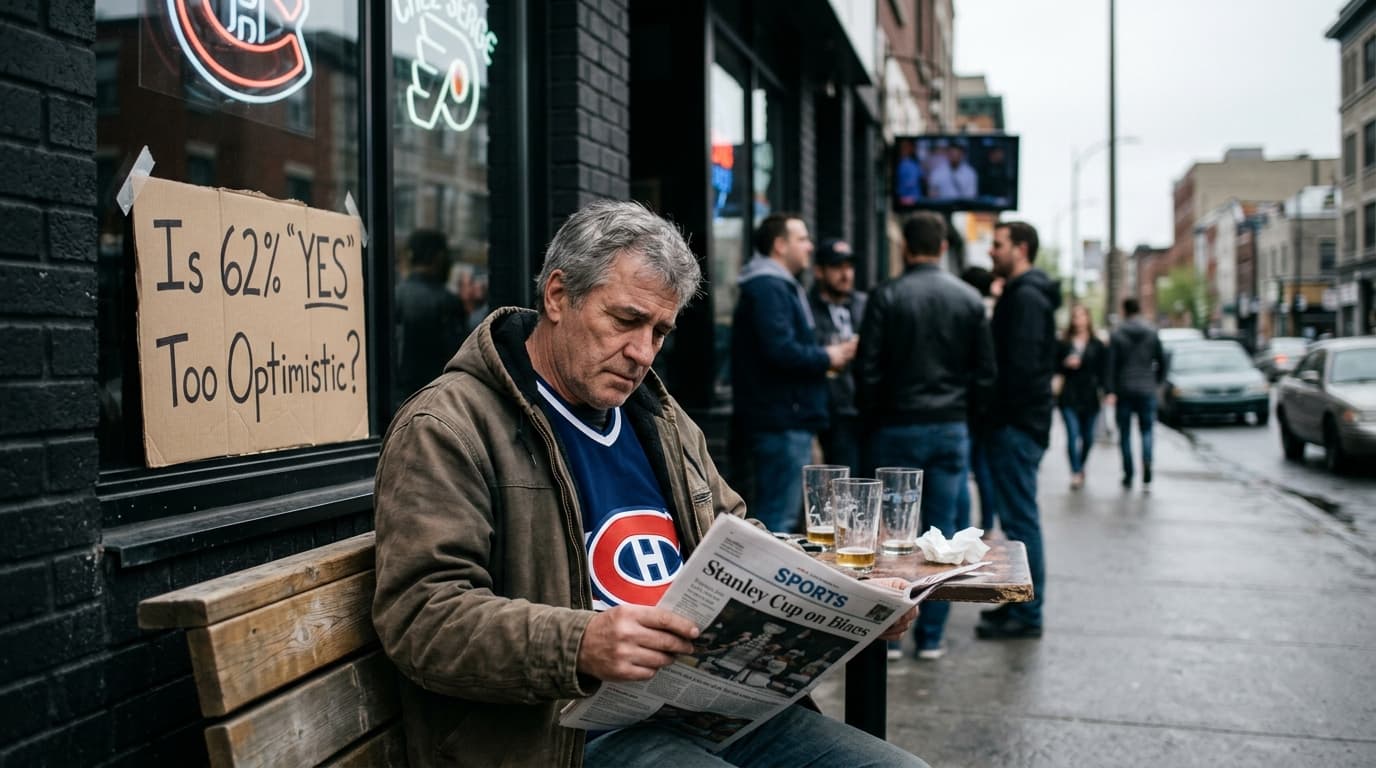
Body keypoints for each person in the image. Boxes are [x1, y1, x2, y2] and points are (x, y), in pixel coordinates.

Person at [373, 200, 922, 768]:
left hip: (707, 713)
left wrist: (848, 601)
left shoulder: (657, 416)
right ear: (558, 296)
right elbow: (422, 617)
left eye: (660, 331)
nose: (642, 353)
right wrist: (581, 643)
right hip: (564, 737)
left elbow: (738, 533)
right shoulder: (449, 426)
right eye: (625, 320)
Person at [857, 212, 996, 660]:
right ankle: (931, 637)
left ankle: (889, 628)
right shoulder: (970, 300)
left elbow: (868, 369)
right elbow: (986, 375)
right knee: (945, 532)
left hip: (895, 425)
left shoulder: (886, 295)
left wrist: (873, 415)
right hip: (950, 427)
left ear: (904, 248)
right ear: (941, 248)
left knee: (892, 535)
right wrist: (965, 417)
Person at [732, 214, 856, 533]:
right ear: (779, 245)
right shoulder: (768, 287)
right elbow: (780, 350)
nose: (809, 246)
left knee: (784, 515)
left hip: (786, 419)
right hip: (781, 421)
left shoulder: (778, 285)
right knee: (779, 521)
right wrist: (828, 356)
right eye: (801, 239)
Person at [977, 221, 1060, 641]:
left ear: (1021, 249)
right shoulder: (1023, 293)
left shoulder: (1026, 296)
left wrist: (999, 415)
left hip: (1016, 426)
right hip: (1019, 423)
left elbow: (1021, 370)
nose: (991, 252)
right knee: (1016, 522)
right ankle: (1017, 602)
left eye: (998, 245)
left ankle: (1027, 614)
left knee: (1021, 523)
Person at [809, 238, 867, 475]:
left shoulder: (864, 304)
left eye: (849, 267)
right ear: (819, 271)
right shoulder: (807, 307)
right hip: (824, 408)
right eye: (837, 267)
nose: (846, 274)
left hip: (860, 407)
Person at [394, 229, 465, 410]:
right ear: (439, 258)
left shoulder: (395, 296)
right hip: (437, 402)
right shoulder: (448, 302)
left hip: (399, 401)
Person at [956, 266, 1002, 533]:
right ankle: (987, 524)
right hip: (984, 407)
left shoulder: (968, 311)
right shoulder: (993, 312)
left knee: (961, 473)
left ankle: (963, 529)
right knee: (983, 469)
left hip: (963, 405)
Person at [1105, 297, 1166, 490]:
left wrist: (1110, 390)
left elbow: (1111, 366)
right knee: (1146, 430)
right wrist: (1156, 382)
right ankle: (1147, 462)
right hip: (1146, 387)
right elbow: (1163, 361)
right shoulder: (1151, 331)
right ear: (1139, 309)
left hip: (1124, 388)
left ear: (1124, 311)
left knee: (1125, 434)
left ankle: (1128, 472)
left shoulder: (1117, 334)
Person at [1058, 304, 1108, 490]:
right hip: (1069, 395)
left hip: (1090, 395)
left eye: (1081, 316)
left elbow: (1104, 370)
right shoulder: (1064, 342)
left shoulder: (1097, 344)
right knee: (1072, 435)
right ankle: (1076, 471)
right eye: (1075, 316)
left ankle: (1081, 464)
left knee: (1087, 438)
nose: (1078, 320)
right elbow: (1054, 366)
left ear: (1088, 319)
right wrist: (1065, 364)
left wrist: (1108, 391)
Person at [895, 139, 923, 206]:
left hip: (912, 198)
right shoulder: (898, 163)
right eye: (903, 147)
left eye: (906, 147)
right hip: (901, 198)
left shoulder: (913, 164)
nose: (904, 149)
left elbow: (913, 181)